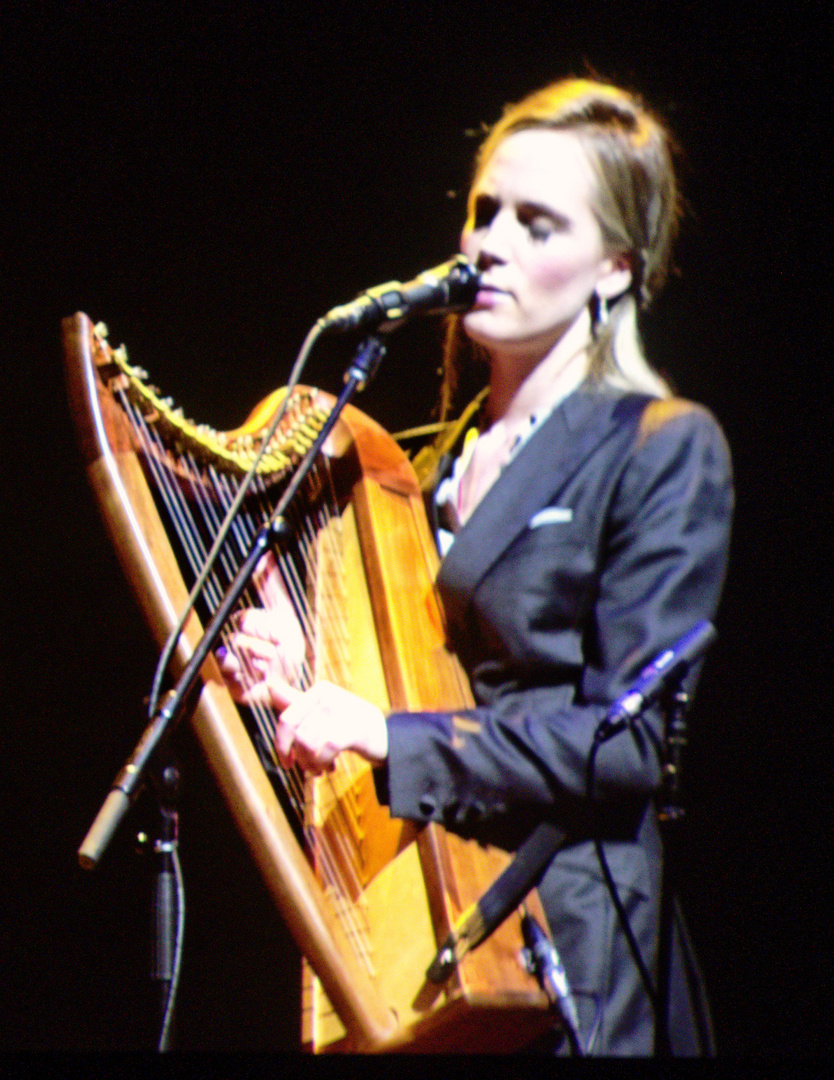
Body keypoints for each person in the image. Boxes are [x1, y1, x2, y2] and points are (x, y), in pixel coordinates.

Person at [220, 79, 728, 1055]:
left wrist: (379, 731)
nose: (490, 243)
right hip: (445, 929)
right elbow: (441, 694)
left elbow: (627, 748)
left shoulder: (658, 446)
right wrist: (305, 684)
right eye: (483, 212)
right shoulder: (425, 469)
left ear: (614, 271)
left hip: (577, 949)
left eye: (539, 224)